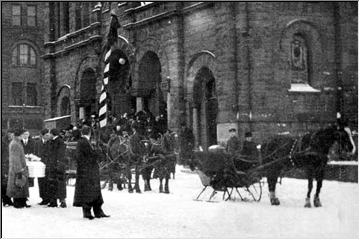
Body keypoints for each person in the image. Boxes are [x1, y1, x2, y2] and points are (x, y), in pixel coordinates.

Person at [73, 125, 110, 219]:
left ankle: (97, 210)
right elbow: (83, 156)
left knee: (94, 190)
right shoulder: (83, 142)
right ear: (89, 132)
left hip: (90, 170)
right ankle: (88, 211)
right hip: (87, 170)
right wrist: (96, 154)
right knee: (89, 191)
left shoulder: (85, 142)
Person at [7, 128, 30, 208]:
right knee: (18, 184)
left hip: (20, 167)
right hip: (18, 169)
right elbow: (15, 158)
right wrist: (19, 169)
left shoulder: (16, 142)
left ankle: (22, 201)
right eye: (23, 134)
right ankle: (18, 203)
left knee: (21, 184)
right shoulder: (15, 144)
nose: (25, 135)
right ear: (20, 135)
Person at [47, 128, 67, 208]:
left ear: (52, 134)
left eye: (50, 134)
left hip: (57, 165)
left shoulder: (59, 142)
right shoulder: (54, 141)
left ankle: (61, 200)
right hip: (55, 165)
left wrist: (57, 163)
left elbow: (60, 154)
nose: (49, 135)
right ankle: (54, 200)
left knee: (59, 183)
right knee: (54, 183)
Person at [34, 128, 51, 205]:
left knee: (48, 182)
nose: (48, 136)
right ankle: (43, 198)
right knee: (40, 182)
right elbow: (35, 153)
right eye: (46, 135)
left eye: (49, 135)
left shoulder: (51, 143)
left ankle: (48, 198)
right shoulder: (37, 143)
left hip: (48, 165)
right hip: (39, 165)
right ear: (42, 135)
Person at [2, 130, 14, 206]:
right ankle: (6, 200)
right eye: (10, 134)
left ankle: (8, 199)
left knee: (9, 182)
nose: (11, 136)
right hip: (4, 164)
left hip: (10, 163)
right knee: (4, 183)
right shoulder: (3, 142)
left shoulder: (12, 141)